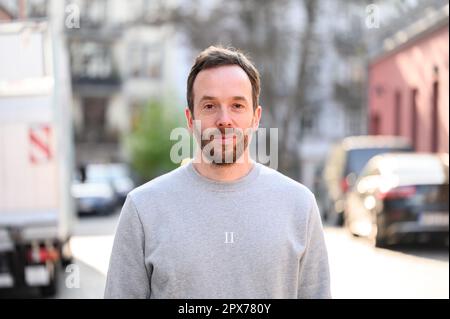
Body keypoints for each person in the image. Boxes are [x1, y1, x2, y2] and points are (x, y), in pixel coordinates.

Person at [104, 45, 331, 299]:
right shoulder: (143, 208)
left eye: (237, 105)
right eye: (210, 106)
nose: (224, 120)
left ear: (256, 118)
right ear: (190, 120)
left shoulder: (299, 205)